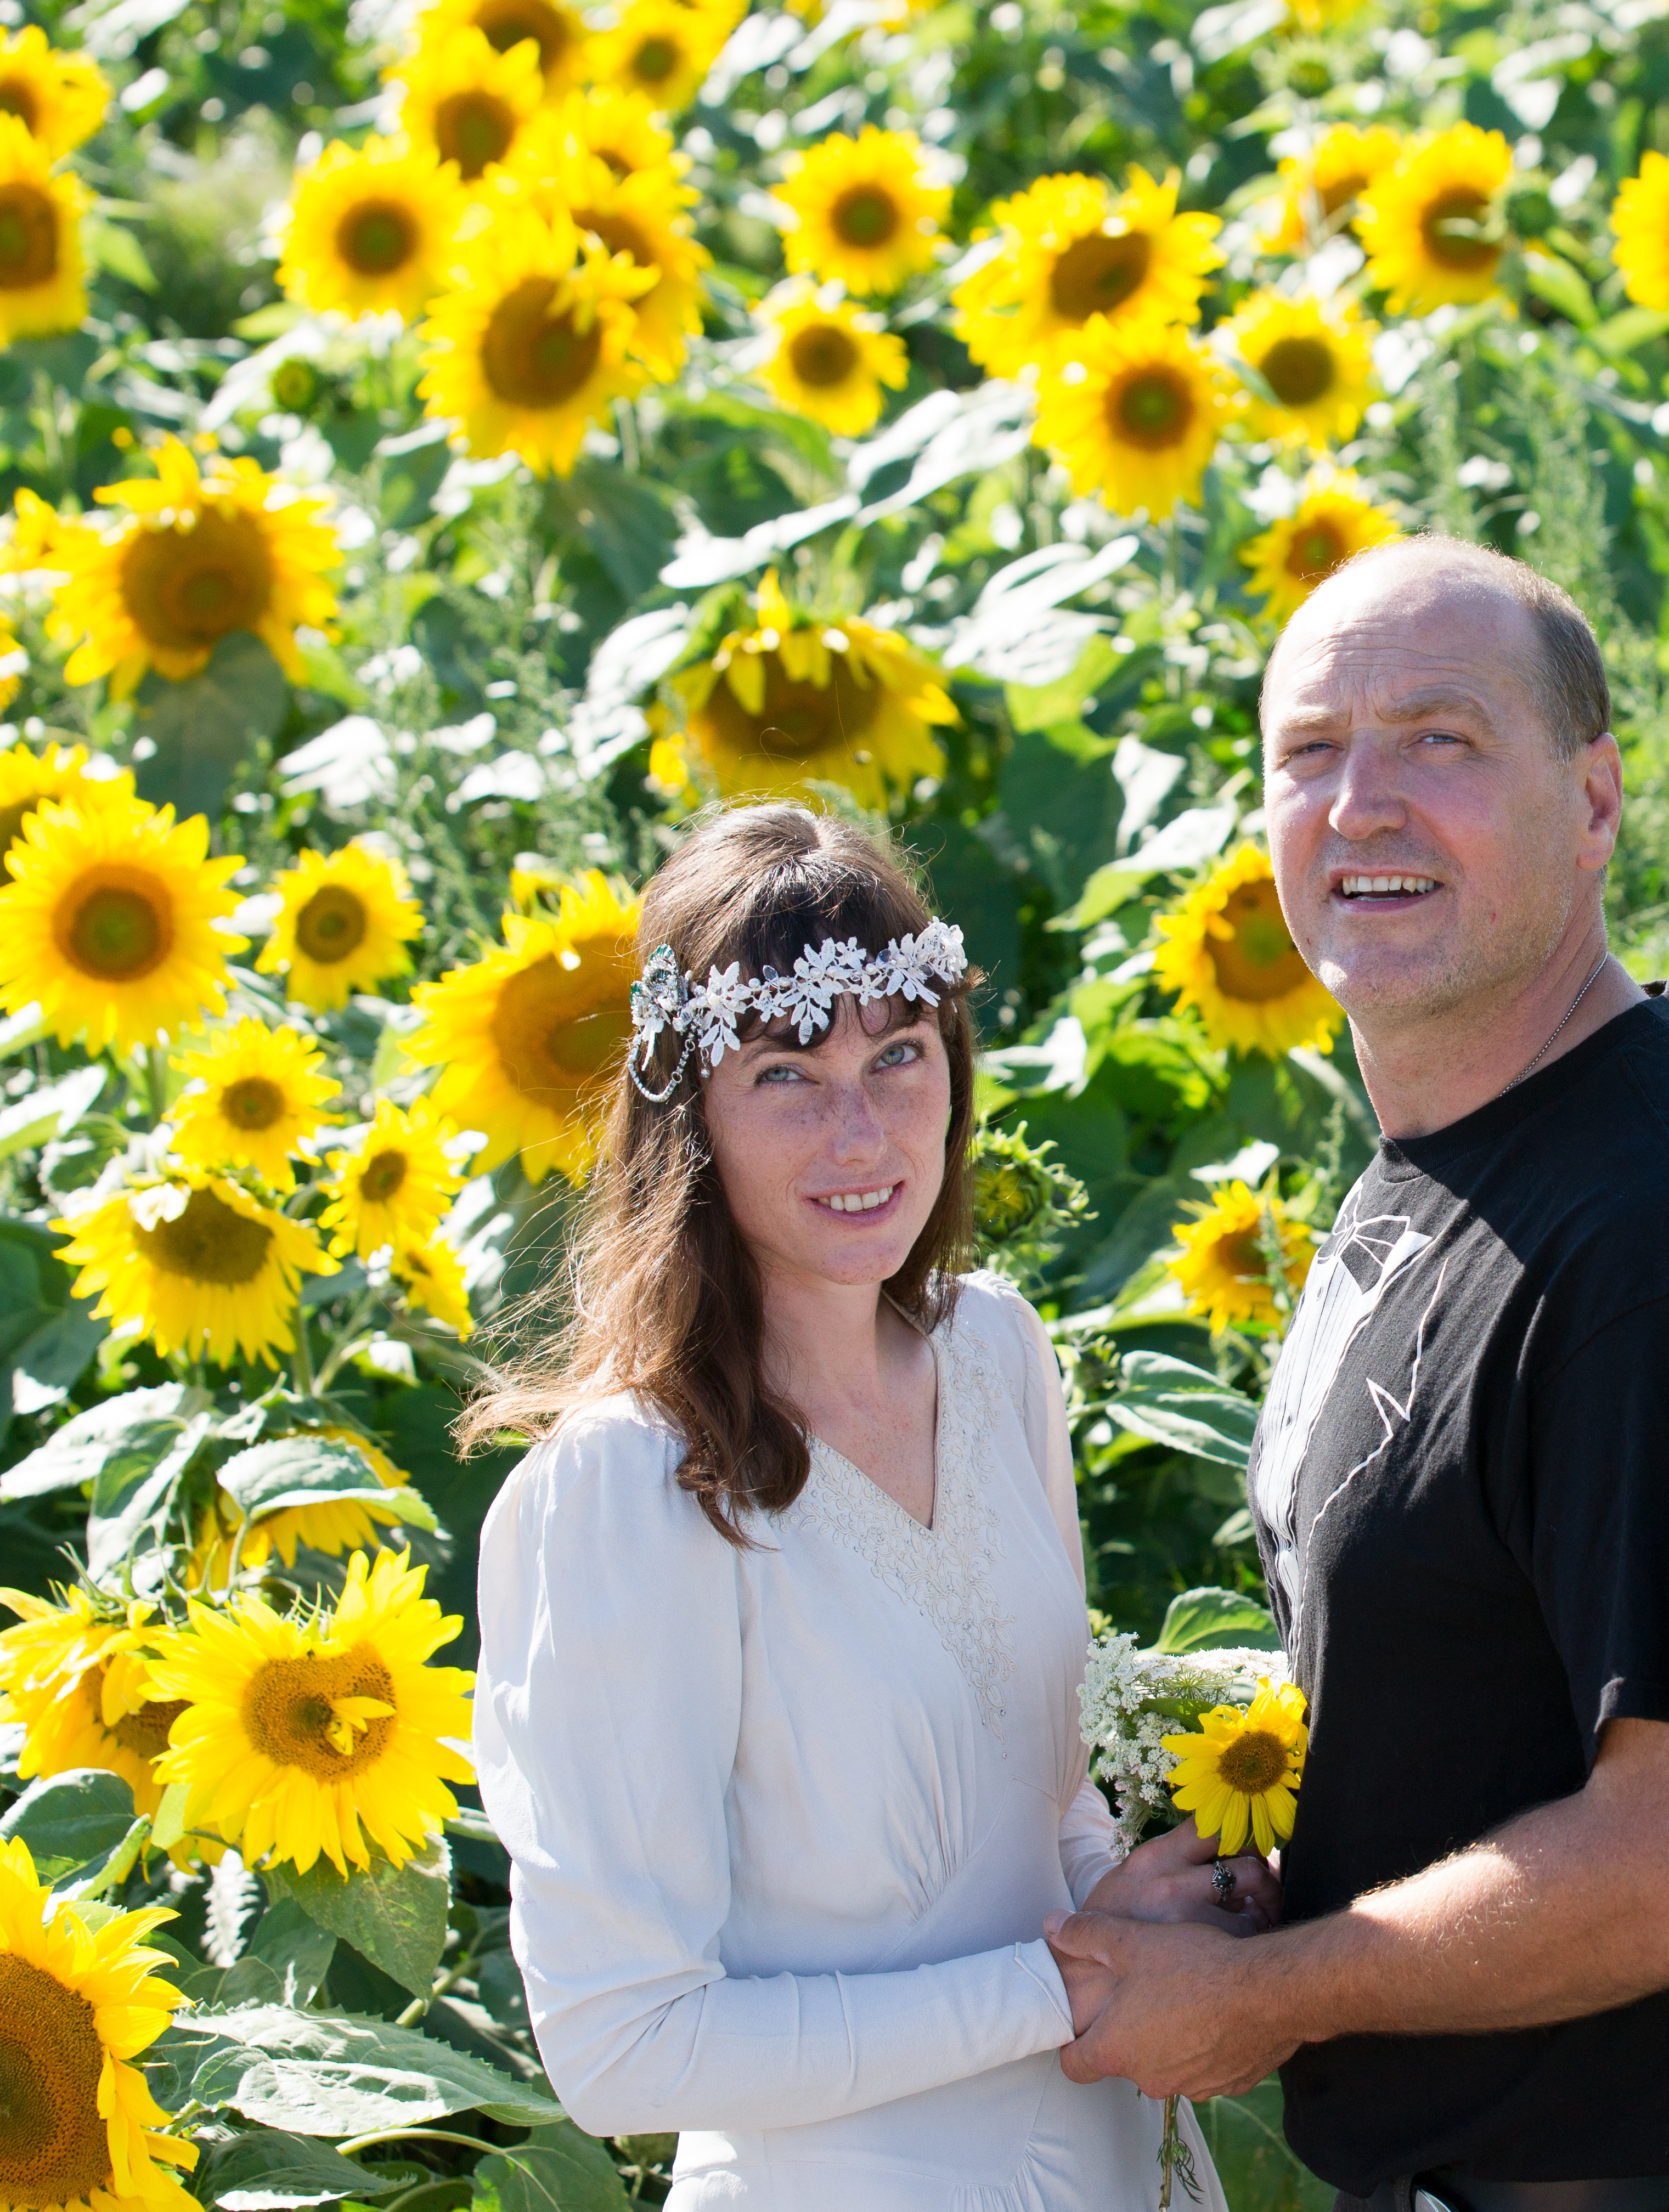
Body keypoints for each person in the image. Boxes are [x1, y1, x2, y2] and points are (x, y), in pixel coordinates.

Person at [1046, 539, 1669, 2212]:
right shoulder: (1450, 1166)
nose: (1360, 802)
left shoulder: (1666, 1248)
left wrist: (1265, 1999)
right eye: (1310, 752)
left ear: (1594, 801)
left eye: (1441, 738)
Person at [466, 803, 1277, 2211]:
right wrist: (1063, 1985)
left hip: (1126, 2167)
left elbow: (1047, 1797)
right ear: (691, 1117)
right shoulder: (624, 1489)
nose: (864, 1131)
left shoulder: (995, 1348)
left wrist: (1170, 1902)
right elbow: (620, 2047)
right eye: (787, 1074)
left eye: (900, 1057)